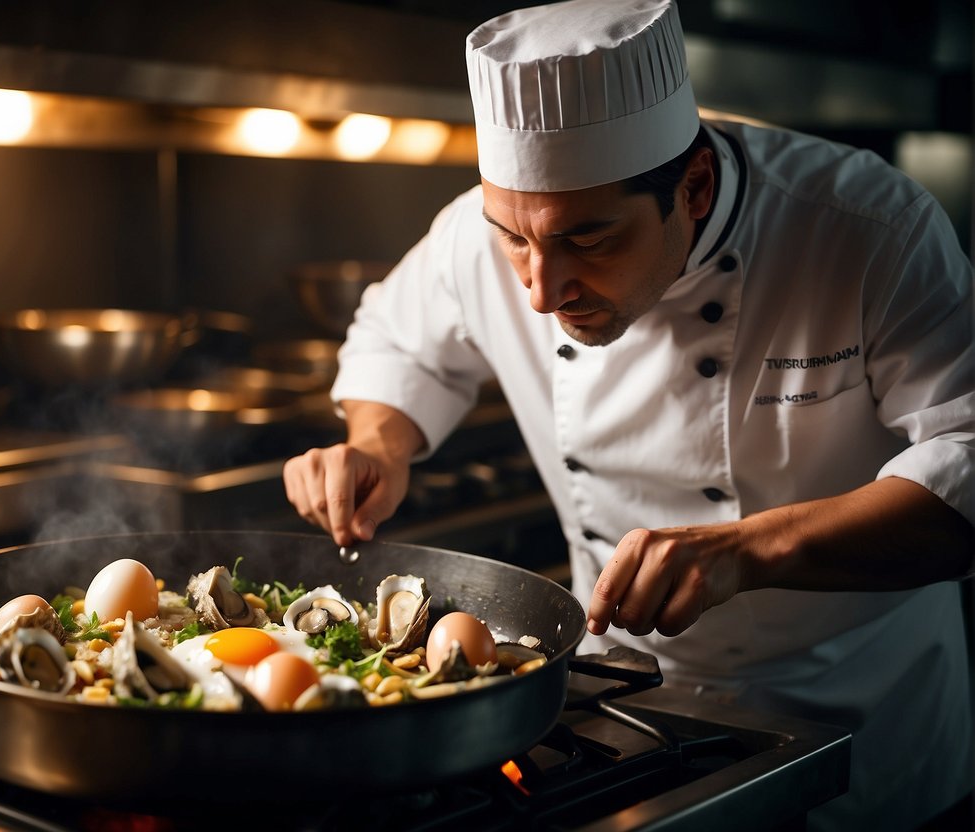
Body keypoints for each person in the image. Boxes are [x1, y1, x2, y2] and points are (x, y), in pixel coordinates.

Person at [281, 0, 974, 828]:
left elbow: (964, 466)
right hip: (620, 714)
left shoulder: (867, 231)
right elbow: (398, 342)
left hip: (860, 724)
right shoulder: (479, 236)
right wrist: (377, 444)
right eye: (513, 238)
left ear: (692, 188)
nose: (540, 290)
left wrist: (747, 550)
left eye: (591, 240)